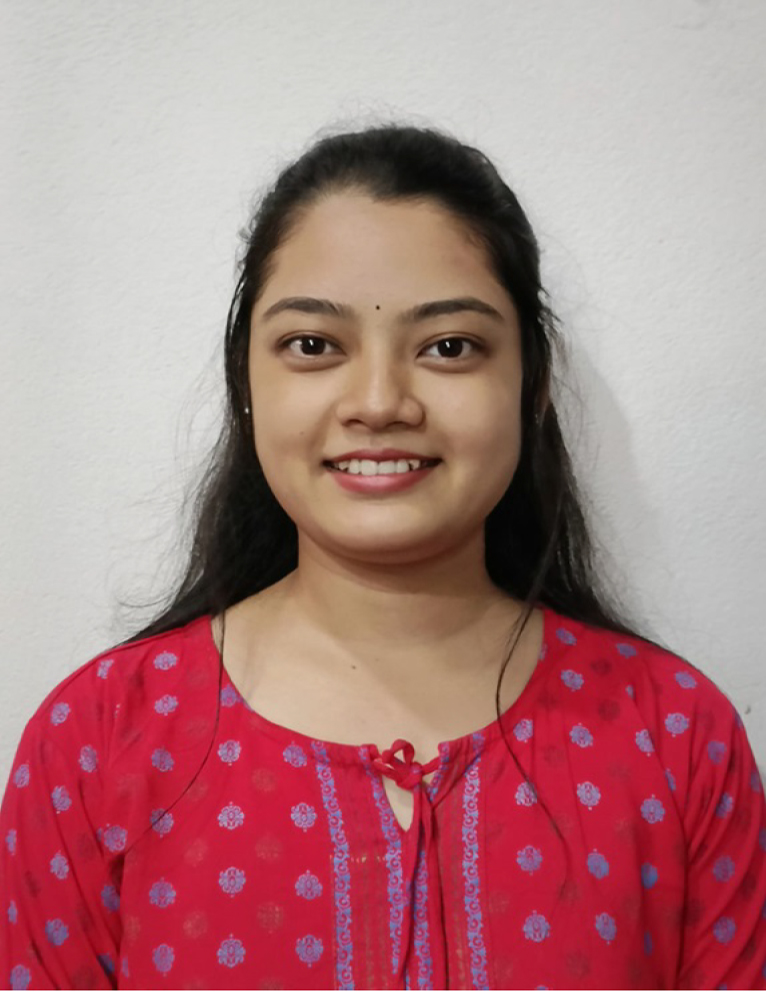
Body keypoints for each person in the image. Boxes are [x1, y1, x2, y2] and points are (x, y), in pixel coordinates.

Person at [1, 123, 764, 992]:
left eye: (449, 346)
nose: (378, 402)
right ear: (246, 383)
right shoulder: (99, 741)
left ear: (534, 385)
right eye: (313, 345)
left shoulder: (676, 739)